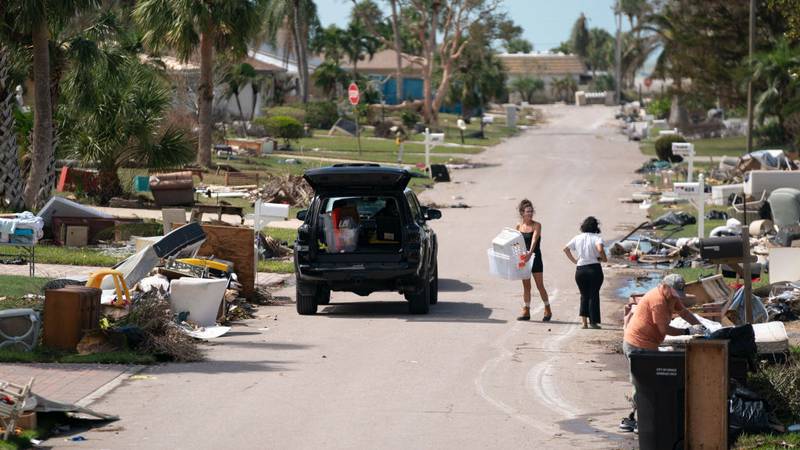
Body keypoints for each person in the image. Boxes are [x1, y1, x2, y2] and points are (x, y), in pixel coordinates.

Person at [618, 274, 705, 433]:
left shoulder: (670, 296)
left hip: (649, 345)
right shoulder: (657, 301)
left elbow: (684, 313)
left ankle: (637, 417)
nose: (675, 296)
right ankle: (637, 420)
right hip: (636, 345)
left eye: (677, 294)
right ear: (664, 286)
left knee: (649, 382)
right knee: (642, 384)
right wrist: (688, 330)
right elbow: (663, 330)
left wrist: (700, 326)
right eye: (673, 293)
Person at [563, 216, 607, 329]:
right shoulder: (597, 238)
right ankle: (593, 322)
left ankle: (584, 322)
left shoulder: (578, 237)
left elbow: (566, 249)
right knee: (593, 294)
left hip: (580, 270)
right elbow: (600, 249)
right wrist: (604, 259)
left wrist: (574, 261)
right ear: (596, 227)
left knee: (584, 295)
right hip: (594, 269)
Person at [515, 199, 551, 321]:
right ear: (522, 213)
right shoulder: (518, 226)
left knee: (540, 285)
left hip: (535, 258)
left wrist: (530, 252)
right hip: (524, 260)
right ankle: (526, 310)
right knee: (526, 287)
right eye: (527, 211)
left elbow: (534, 239)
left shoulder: (537, 225)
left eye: (531, 211)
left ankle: (547, 309)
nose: (530, 214)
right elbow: (515, 244)